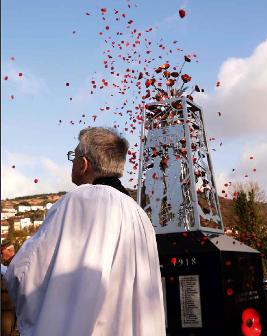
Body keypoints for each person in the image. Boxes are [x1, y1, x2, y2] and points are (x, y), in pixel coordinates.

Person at [4, 127, 166, 336]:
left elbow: (25, 272)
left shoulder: (79, 200)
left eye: (74, 157)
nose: (72, 162)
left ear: (84, 164)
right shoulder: (139, 214)